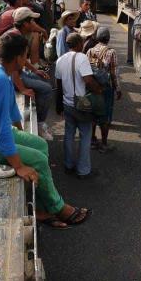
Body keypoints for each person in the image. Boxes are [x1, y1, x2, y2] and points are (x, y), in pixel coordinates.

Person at [0, 32, 91, 228]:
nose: (27, 59)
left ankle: (42, 203)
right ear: (19, 57)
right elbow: (1, 132)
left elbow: (10, 107)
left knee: (39, 144)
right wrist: (19, 166)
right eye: (26, 55)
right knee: (37, 159)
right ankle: (58, 208)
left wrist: (21, 132)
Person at [55, 33, 103, 179]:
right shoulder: (82, 58)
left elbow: (58, 85)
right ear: (79, 44)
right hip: (81, 104)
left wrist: (59, 106)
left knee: (69, 135)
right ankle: (83, 170)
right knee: (85, 135)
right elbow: (88, 79)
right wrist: (98, 90)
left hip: (67, 103)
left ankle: (68, 165)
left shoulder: (60, 60)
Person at [5, 8, 54, 140]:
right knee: (47, 89)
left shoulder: (19, 35)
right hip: (15, 77)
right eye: (31, 20)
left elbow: (22, 59)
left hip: (21, 73)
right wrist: (22, 88)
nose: (34, 23)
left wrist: (35, 70)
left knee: (44, 79)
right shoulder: (15, 38)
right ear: (25, 23)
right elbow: (12, 67)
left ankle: (39, 116)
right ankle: (40, 123)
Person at [87, 27, 121, 153]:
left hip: (93, 86)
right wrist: (118, 89)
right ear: (108, 38)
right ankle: (104, 143)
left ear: (96, 38)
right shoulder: (111, 52)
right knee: (105, 115)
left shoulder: (90, 51)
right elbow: (113, 73)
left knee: (93, 114)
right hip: (106, 88)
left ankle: (92, 140)